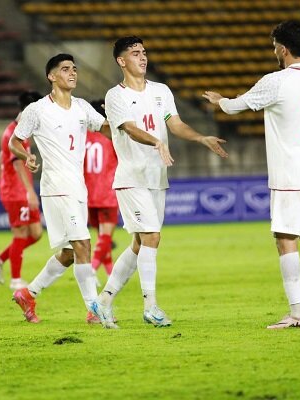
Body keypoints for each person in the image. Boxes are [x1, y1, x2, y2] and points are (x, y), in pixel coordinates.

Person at [203, 21, 300, 328]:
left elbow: (235, 107)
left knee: (285, 240)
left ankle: (297, 314)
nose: (273, 51)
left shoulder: (276, 81)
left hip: (290, 175)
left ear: (283, 49)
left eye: (274, 46)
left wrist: (219, 101)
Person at [96, 36, 228, 329]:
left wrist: (201, 137)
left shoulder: (161, 91)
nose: (142, 57)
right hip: (131, 178)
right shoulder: (115, 96)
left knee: (139, 244)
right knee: (152, 237)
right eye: (135, 53)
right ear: (121, 61)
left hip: (157, 177)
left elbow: (176, 124)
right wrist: (156, 141)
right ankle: (150, 306)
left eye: (144, 52)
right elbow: (129, 128)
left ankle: (103, 300)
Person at [8, 54, 112, 324]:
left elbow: (106, 128)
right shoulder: (37, 109)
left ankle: (29, 293)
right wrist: (27, 156)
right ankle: (94, 309)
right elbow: (14, 142)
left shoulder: (81, 107)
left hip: (77, 187)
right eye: (65, 69)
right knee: (83, 243)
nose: (72, 73)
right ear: (51, 76)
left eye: (74, 69)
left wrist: (129, 128)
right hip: (56, 186)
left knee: (69, 252)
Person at [0, 91, 43, 289]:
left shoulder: (18, 130)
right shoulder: (14, 132)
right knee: (21, 233)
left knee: (36, 233)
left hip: (16, 189)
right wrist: (30, 192)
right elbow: (17, 164)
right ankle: (16, 280)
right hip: (17, 192)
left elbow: (2, 157)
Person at [84, 99, 119, 277]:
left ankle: (110, 271)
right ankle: (92, 270)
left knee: (102, 237)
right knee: (106, 236)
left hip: (89, 194)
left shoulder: (85, 138)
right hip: (108, 192)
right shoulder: (111, 137)